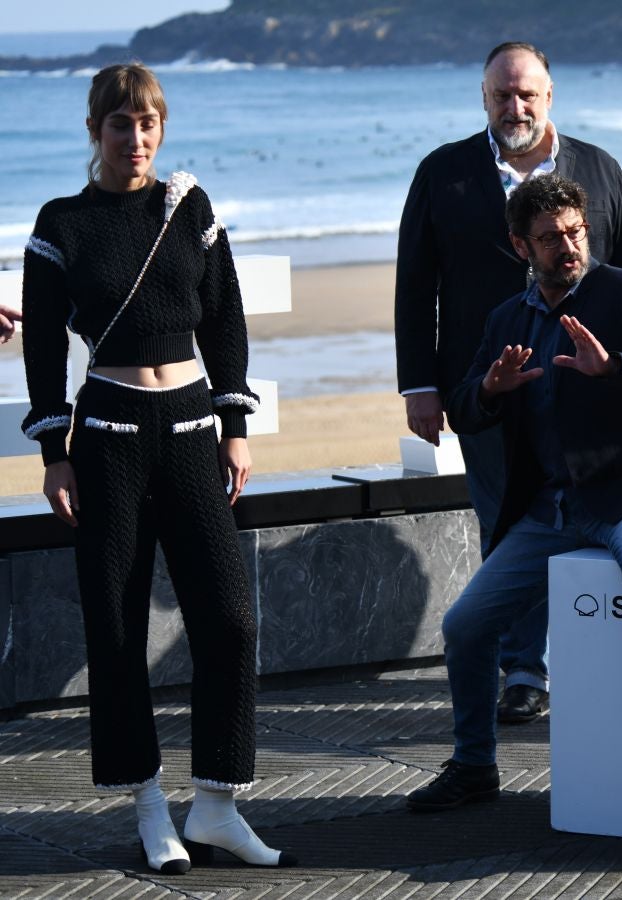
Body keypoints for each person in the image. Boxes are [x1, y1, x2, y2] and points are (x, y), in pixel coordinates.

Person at [19, 63, 295, 874]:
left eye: (146, 125)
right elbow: (40, 345)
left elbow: (227, 321)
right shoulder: (60, 223)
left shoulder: (190, 207)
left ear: (161, 130)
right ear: (94, 131)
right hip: (105, 438)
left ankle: (215, 805)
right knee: (116, 627)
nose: (134, 140)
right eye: (118, 125)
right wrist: (53, 455)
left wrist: (235, 430)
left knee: (230, 620)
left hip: (191, 430)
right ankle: (148, 806)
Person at [404, 174, 622, 811]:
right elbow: (466, 409)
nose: (568, 246)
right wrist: (490, 390)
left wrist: (617, 367)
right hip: (550, 507)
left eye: (575, 233)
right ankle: (473, 767)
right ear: (522, 247)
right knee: (465, 626)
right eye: (550, 238)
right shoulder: (505, 319)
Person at [395, 41, 622, 727]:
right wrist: (419, 385)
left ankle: (603, 660)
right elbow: (416, 287)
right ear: (483, 98)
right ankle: (524, 670)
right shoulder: (443, 174)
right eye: (502, 95)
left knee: (599, 517)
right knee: (508, 521)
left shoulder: (599, 169)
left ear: (549, 96)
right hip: (488, 389)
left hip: (585, 385)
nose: (516, 106)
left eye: (527, 94)